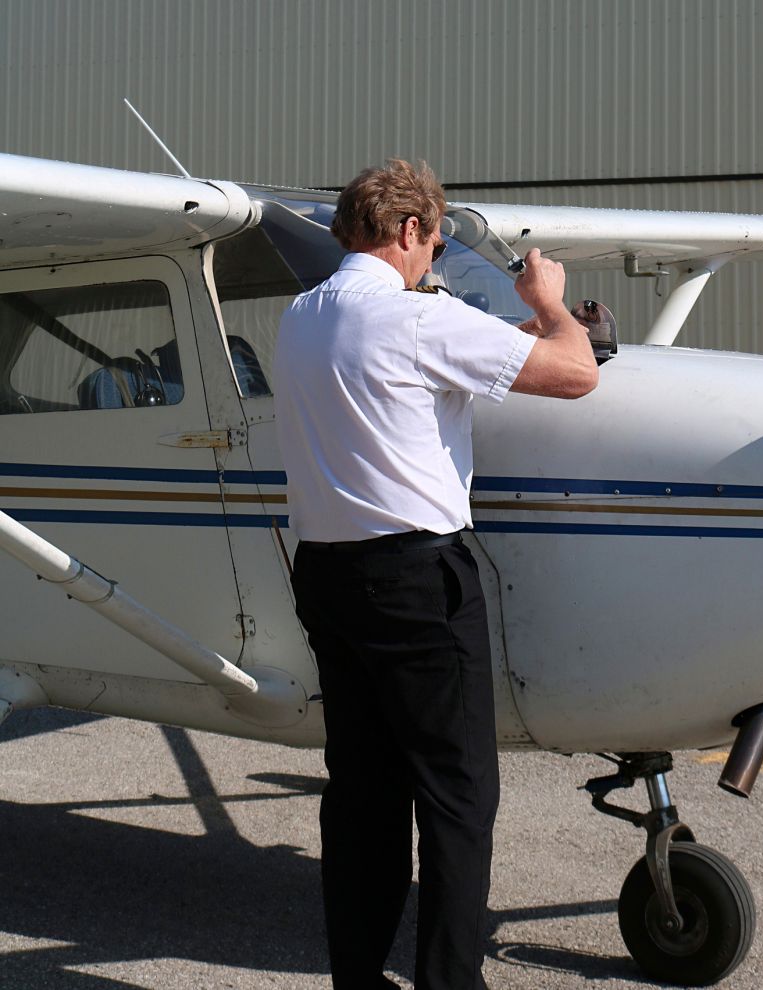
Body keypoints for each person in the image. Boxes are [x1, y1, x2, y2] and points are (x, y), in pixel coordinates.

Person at [273, 158, 598, 990]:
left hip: (327, 577)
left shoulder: (303, 316)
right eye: (437, 241)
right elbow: (578, 373)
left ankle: (358, 976)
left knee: (363, 793)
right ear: (410, 231)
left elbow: (422, 369)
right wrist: (551, 305)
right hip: (417, 581)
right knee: (456, 799)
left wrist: (510, 335)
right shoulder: (416, 321)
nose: (435, 257)